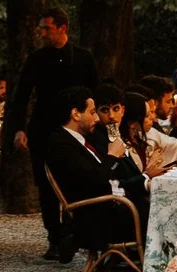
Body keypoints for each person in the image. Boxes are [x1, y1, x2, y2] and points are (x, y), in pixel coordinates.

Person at [2, 11, 99, 258]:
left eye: (47, 28)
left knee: (74, 180)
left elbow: (93, 93)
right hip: (43, 127)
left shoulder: (83, 58)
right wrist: (18, 129)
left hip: (75, 128)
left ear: (62, 28)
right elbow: (21, 95)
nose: (43, 33)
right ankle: (54, 237)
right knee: (45, 184)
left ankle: (71, 234)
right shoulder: (36, 59)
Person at [38, 93, 146, 257]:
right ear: (75, 114)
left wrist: (144, 183)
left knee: (157, 202)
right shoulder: (61, 144)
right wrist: (112, 157)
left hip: (108, 208)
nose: (96, 118)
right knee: (159, 214)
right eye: (92, 112)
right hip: (97, 221)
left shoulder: (78, 140)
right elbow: (95, 182)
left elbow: (105, 182)